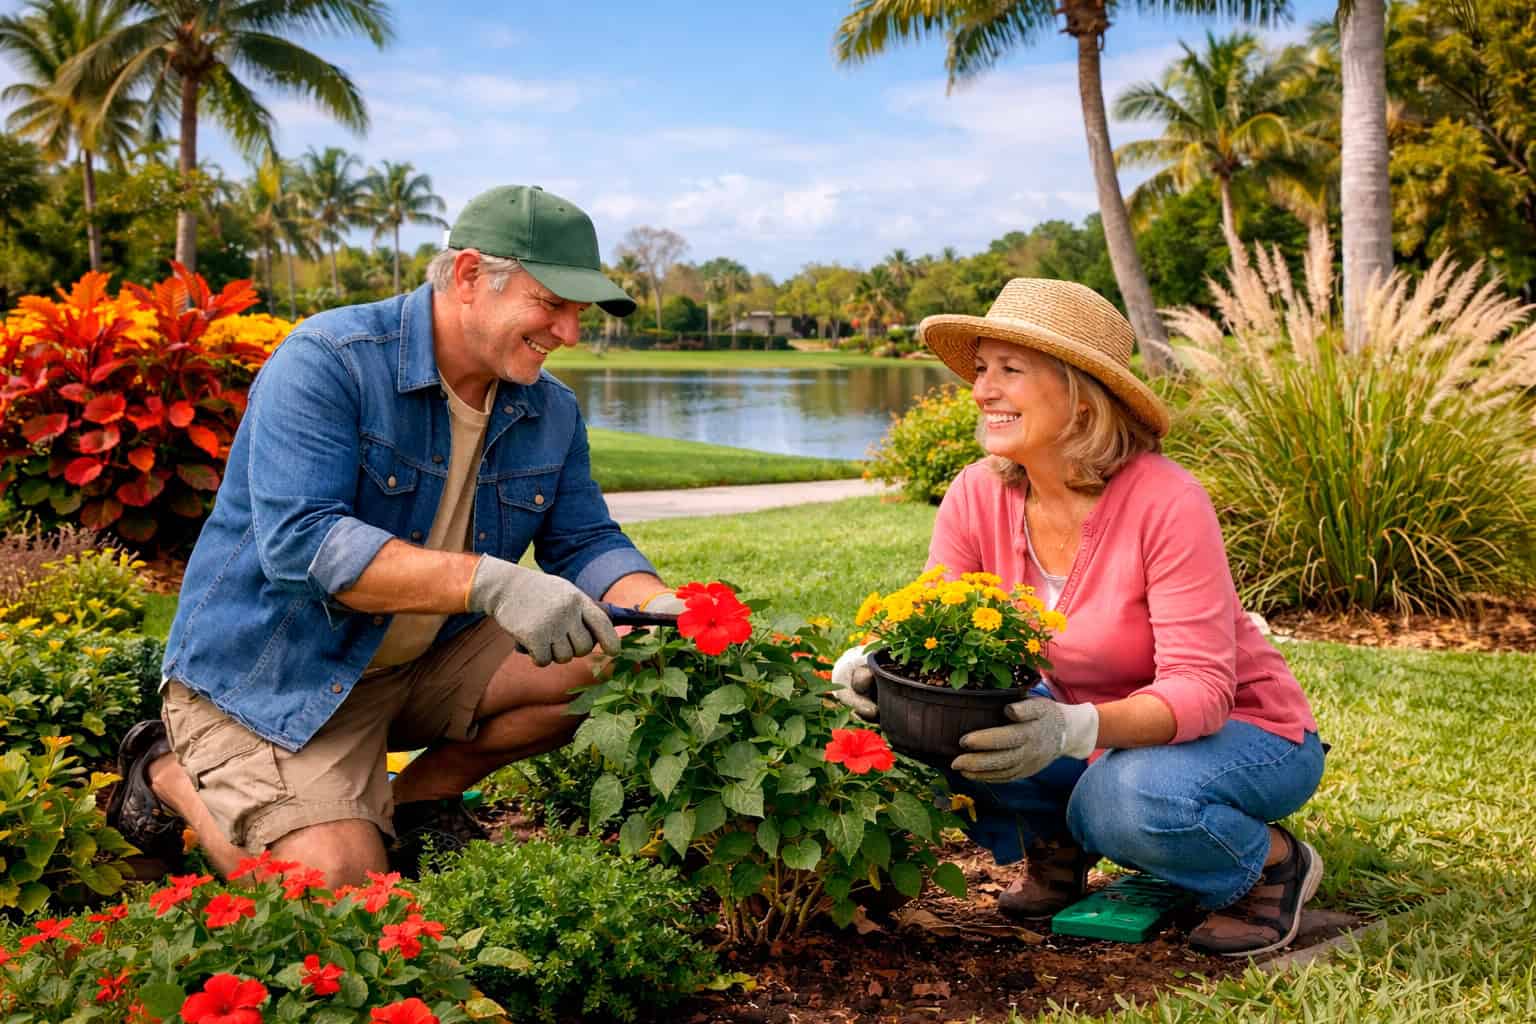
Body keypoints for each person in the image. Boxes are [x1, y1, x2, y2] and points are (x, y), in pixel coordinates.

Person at [107, 185, 688, 886]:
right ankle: (165, 770)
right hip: (276, 680)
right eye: (552, 305)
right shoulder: (329, 359)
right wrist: (490, 582)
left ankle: (410, 802)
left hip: (419, 664)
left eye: (578, 313)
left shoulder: (548, 409)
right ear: (471, 276)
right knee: (334, 889)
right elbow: (301, 541)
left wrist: (660, 608)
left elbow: (586, 540)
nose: (569, 333)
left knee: (625, 656)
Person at [832, 278, 1325, 957]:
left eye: (1010, 370)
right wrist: (871, 666)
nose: (981, 391)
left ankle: (1270, 861)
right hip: (1093, 733)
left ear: (1081, 392)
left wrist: (1071, 727)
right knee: (940, 715)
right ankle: (1057, 845)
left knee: (1119, 801)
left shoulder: (1165, 501)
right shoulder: (979, 493)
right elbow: (931, 622)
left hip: (1246, 734)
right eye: (981, 369)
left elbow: (1203, 693)